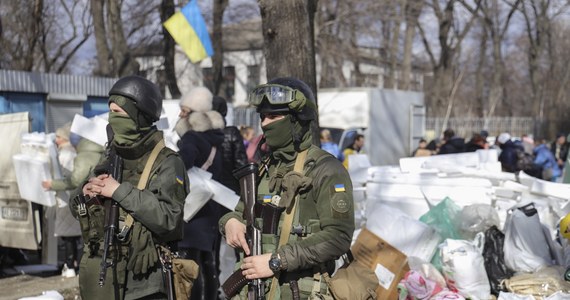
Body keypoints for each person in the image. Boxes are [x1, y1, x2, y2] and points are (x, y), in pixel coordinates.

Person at [219, 77, 355, 299]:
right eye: (263, 116)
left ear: (297, 120)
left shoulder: (327, 170)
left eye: (273, 116)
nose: (264, 123)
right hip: (253, 289)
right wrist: (229, 222)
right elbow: (241, 212)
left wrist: (276, 261)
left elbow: (338, 237)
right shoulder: (264, 168)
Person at [71, 75, 189, 300]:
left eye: (119, 113)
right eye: (110, 112)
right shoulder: (110, 155)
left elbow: (168, 219)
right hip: (102, 279)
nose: (112, 119)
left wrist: (118, 191)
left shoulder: (167, 162)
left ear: (139, 116)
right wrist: (85, 194)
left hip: (144, 282)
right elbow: (74, 207)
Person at [175, 86, 226, 300]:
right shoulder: (213, 139)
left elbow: (181, 165)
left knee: (189, 264)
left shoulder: (191, 139)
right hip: (210, 206)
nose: (180, 114)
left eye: (184, 110)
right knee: (208, 263)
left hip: (192, 209)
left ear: (194, 114)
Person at [42, 126, 106, 277]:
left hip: (70, 198)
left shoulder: (72, 155)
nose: (56, 140)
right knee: (79, 234)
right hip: (83, 198)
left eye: (58, 136)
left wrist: (53, 184)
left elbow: (74, 179)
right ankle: (77, 266)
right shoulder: (97, 153)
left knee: (70, 236)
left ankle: (71, 266)